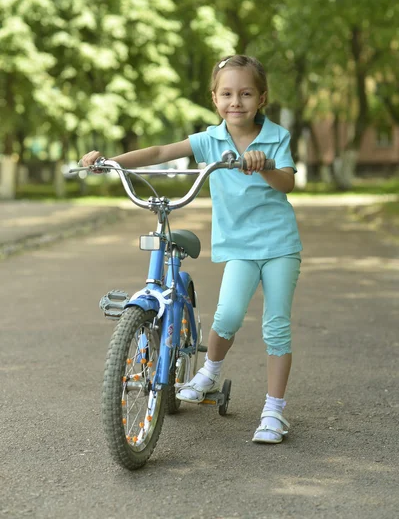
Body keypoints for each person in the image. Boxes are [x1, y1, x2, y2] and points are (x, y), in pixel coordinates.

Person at [81, 54, 302, 444]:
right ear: (215, 99)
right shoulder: (209, 140)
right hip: (239, 247)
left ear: (262, 99)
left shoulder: (277, 137)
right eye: (228, 94)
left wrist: (263, 164)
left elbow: (287, 183)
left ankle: (274, 412)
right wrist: (108, 162)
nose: (237, 102)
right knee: (228, 314)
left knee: (276, 326)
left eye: (246, 93)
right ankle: (209, 371)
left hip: (279, 244)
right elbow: (158, 153)